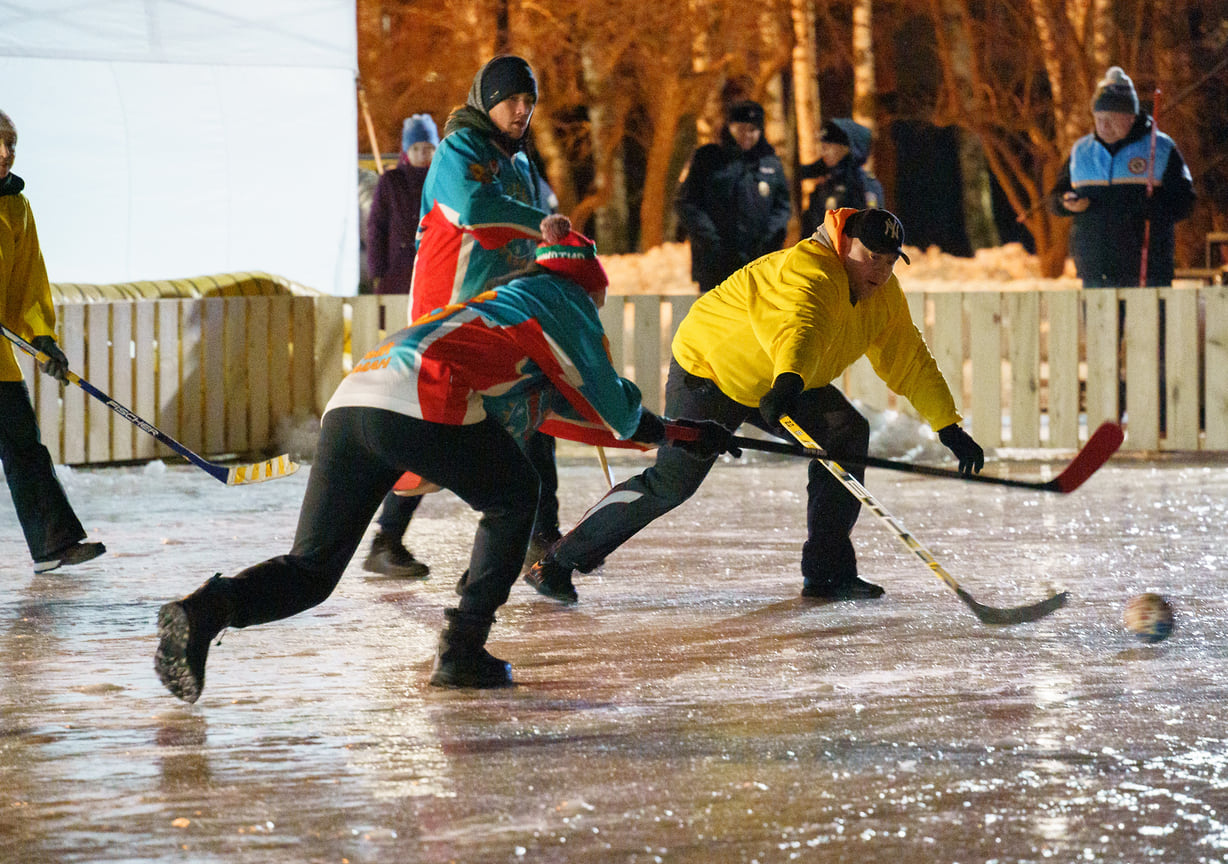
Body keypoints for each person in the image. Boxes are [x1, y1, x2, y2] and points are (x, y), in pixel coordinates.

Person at [153, 232, 729, 702]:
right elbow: (607, 401)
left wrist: (674, 436)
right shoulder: (562, 299)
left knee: (312, 570)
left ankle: (207, 609)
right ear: (587, 286)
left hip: (354, 400)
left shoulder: (498, 309)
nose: (595, 313)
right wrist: (673, 431)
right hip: (420, 393)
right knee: (513, 497)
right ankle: (462, 649)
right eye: (597, 302)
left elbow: (568, 414)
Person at [527, 208, 984, 605]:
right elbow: (798, 325)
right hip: (712, 368)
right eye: (871, 258)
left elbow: (908, 356)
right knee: (674, 482)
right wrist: (788, 379)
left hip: (784, 377)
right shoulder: (809, 271)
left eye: (889, 262)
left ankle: (827, 572)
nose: (880, 272)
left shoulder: (883, 294)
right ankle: (557, 561)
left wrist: (946, 424)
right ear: (845, 245)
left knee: (845, 433)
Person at [410, 54, 571, 566]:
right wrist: (540, 222)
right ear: (487, 100)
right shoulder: (459, 147)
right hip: (449, 310)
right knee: (427, 431)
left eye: (529, 101)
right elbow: (475, 211)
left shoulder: (519, 159)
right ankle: (387, 537)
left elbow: (528, 236)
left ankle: (544, 535)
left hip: (501, 310)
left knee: (532, 412)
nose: (522, 110)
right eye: (511, 100)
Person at [0, 109, 106, 574]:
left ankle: (53, 544)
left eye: (12, 145)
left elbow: (27, 283)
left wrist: (41, 333)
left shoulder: (15, 206)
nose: (6, 154)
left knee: (25, 445)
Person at [360, 113, 439, 579]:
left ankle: (532, 533)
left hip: (433, 289)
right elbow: (377, 229)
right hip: (402, 282)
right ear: (406, 150)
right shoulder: (392, 184)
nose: (424, 157)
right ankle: (387, 536)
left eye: (430, 149)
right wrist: (379, 274)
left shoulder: (443, 180)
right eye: (418, 149)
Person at [1048, 66, 1195, 287]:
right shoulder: (1081, 151)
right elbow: (1056, 197)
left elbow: (1185, 201)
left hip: (1147, 270)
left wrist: (1154, 207)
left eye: (1111, 118)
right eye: (1099, 119)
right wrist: (1066, 202)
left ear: (1130, 117)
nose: (1104, 126)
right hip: (1094, 270)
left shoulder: (1161, 148)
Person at [675, 99, 792, 293]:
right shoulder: (708, 159)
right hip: (715, 262)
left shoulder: (771, 163)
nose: (746, 135)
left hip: (759, 262)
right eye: (740, 128)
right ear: (729, 127)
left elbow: (782, 207)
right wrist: (710, 239)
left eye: (753, 129)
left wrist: (768, 239)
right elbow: (687, 202)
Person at [798, 119, 884, 238]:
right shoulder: (825, 182)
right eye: (823, 147)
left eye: (828, 147)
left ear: (845, 149)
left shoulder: (862, 184)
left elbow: (871, 228)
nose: (824, 153)